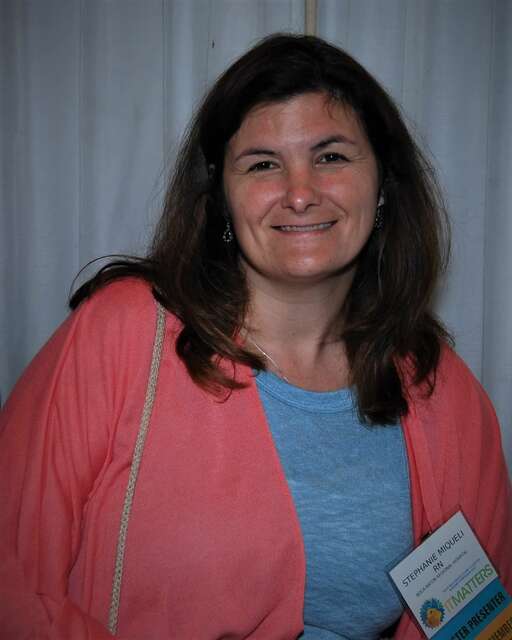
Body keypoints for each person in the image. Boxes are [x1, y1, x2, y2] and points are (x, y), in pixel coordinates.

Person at [0, 33, 510, 640]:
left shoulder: (441, 392)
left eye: (331, 157)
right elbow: (12, 582)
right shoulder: (122, 334)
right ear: (222, 197)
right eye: (263, 164)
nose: (300, 193)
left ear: (382, 186)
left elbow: (478, 626)